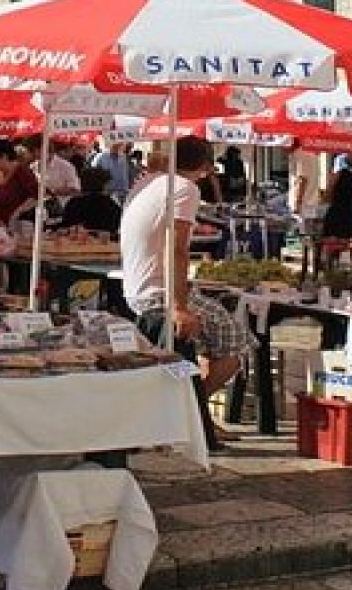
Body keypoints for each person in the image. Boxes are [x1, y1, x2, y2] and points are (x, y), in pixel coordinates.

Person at [120, 136, 244, 449]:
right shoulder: (185, 189)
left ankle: (194, 412)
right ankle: (192, 411)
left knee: (210, 338)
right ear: (204, 167)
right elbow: (177, 249)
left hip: (136, 286)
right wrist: (179, 306)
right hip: (159, 292)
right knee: (235, 342)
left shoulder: (147, 182)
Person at [0, 143, 40, 226]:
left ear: (4, 156)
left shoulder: (22, 172)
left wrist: (16, 214)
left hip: (19, 228)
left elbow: (36, 197)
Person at [57, 166, 122, 234]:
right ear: (103, 185)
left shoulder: (73, 203)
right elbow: (116, 226)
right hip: (104, 242)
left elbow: (65, 225)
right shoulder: (111, 205)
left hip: (75, 241)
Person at [28, 136, 81, 201]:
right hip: (39, 207)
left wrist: (52, 192)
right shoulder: (33, 167)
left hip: (61, 207)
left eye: (38, 152)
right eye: (34, 152)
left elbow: (75, 190)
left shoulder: (65, 166)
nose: (36, 154)